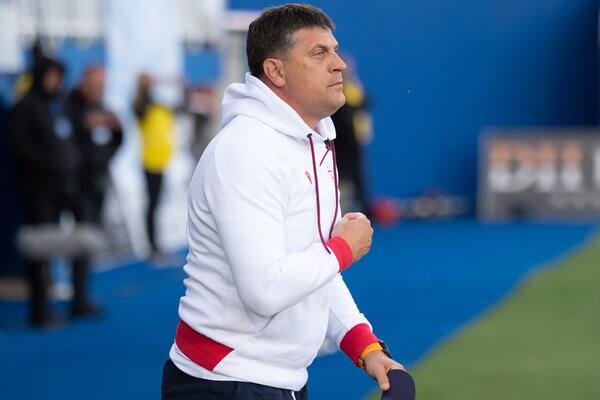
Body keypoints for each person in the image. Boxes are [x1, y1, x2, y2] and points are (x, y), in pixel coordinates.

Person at [161, 4, 405, 399]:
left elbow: (315, 266)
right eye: (319, 53)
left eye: (335, 50)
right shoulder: (247, 150)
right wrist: (344, 249)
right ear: (275, 71)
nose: (340, 64)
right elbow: (266, 288)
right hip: (225, 382)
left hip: (275, 379)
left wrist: (366, 347)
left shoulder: (312, 141)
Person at [8, 55, 97, 327]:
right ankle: (40, 309)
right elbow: (21, 147)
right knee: (40, 249)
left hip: (67, 187)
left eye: (58, 76)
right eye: (51, 75)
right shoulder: (25, 107)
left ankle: (79, 299)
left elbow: (73, 138)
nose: (55, 81)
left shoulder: (59, 105)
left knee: (79, 240)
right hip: (39, 190)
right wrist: (50, 164)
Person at [65, 65, 123, 226]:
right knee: (84, 223)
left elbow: (116, 138)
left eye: (101, 85)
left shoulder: (100, 106)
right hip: (78, 177)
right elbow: (65, 135)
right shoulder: (71, 104)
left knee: (96, 222)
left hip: (98, 175)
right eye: (96, 84)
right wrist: (85, 125)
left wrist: (115, 129)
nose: (99, 89)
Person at [133, 73, 175, 258]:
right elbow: (139, 109)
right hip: (150, 162)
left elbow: (180, 107)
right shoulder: (142, 105)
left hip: (161, 161)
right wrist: (145, 87)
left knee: (156, 205)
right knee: (152, 204)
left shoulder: (158, 106)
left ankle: (156, 243)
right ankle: (152, 245)